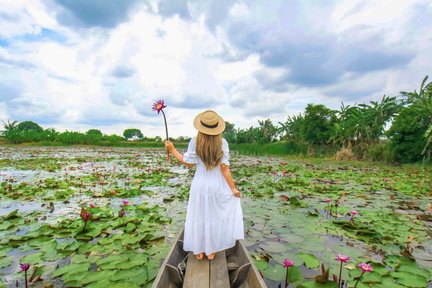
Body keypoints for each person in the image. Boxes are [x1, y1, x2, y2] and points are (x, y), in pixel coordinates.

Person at [165, 110, 244, 261]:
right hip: (216, 185)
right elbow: (225, 168)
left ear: (200, 127)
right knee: (213, 216)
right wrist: (233, 188)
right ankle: (211, 251)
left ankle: (199, 250)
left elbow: (188, 163)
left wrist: (172, 149)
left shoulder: (194, 141)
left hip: (199, 185)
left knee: (199, 215)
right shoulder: (223, 143)